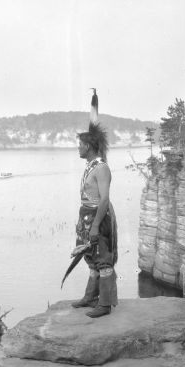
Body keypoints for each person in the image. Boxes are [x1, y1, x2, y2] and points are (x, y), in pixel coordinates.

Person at [71, 120, 118, 318]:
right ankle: (91, 297)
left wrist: (96, 225)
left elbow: (104, 199)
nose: (78, 148)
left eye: (80, 145)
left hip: (98, 217)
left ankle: (105, 304)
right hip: (87, 216)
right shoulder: (91, 166)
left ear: (88, 146)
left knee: (102, 259)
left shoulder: (101, 168)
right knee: (91, 257)